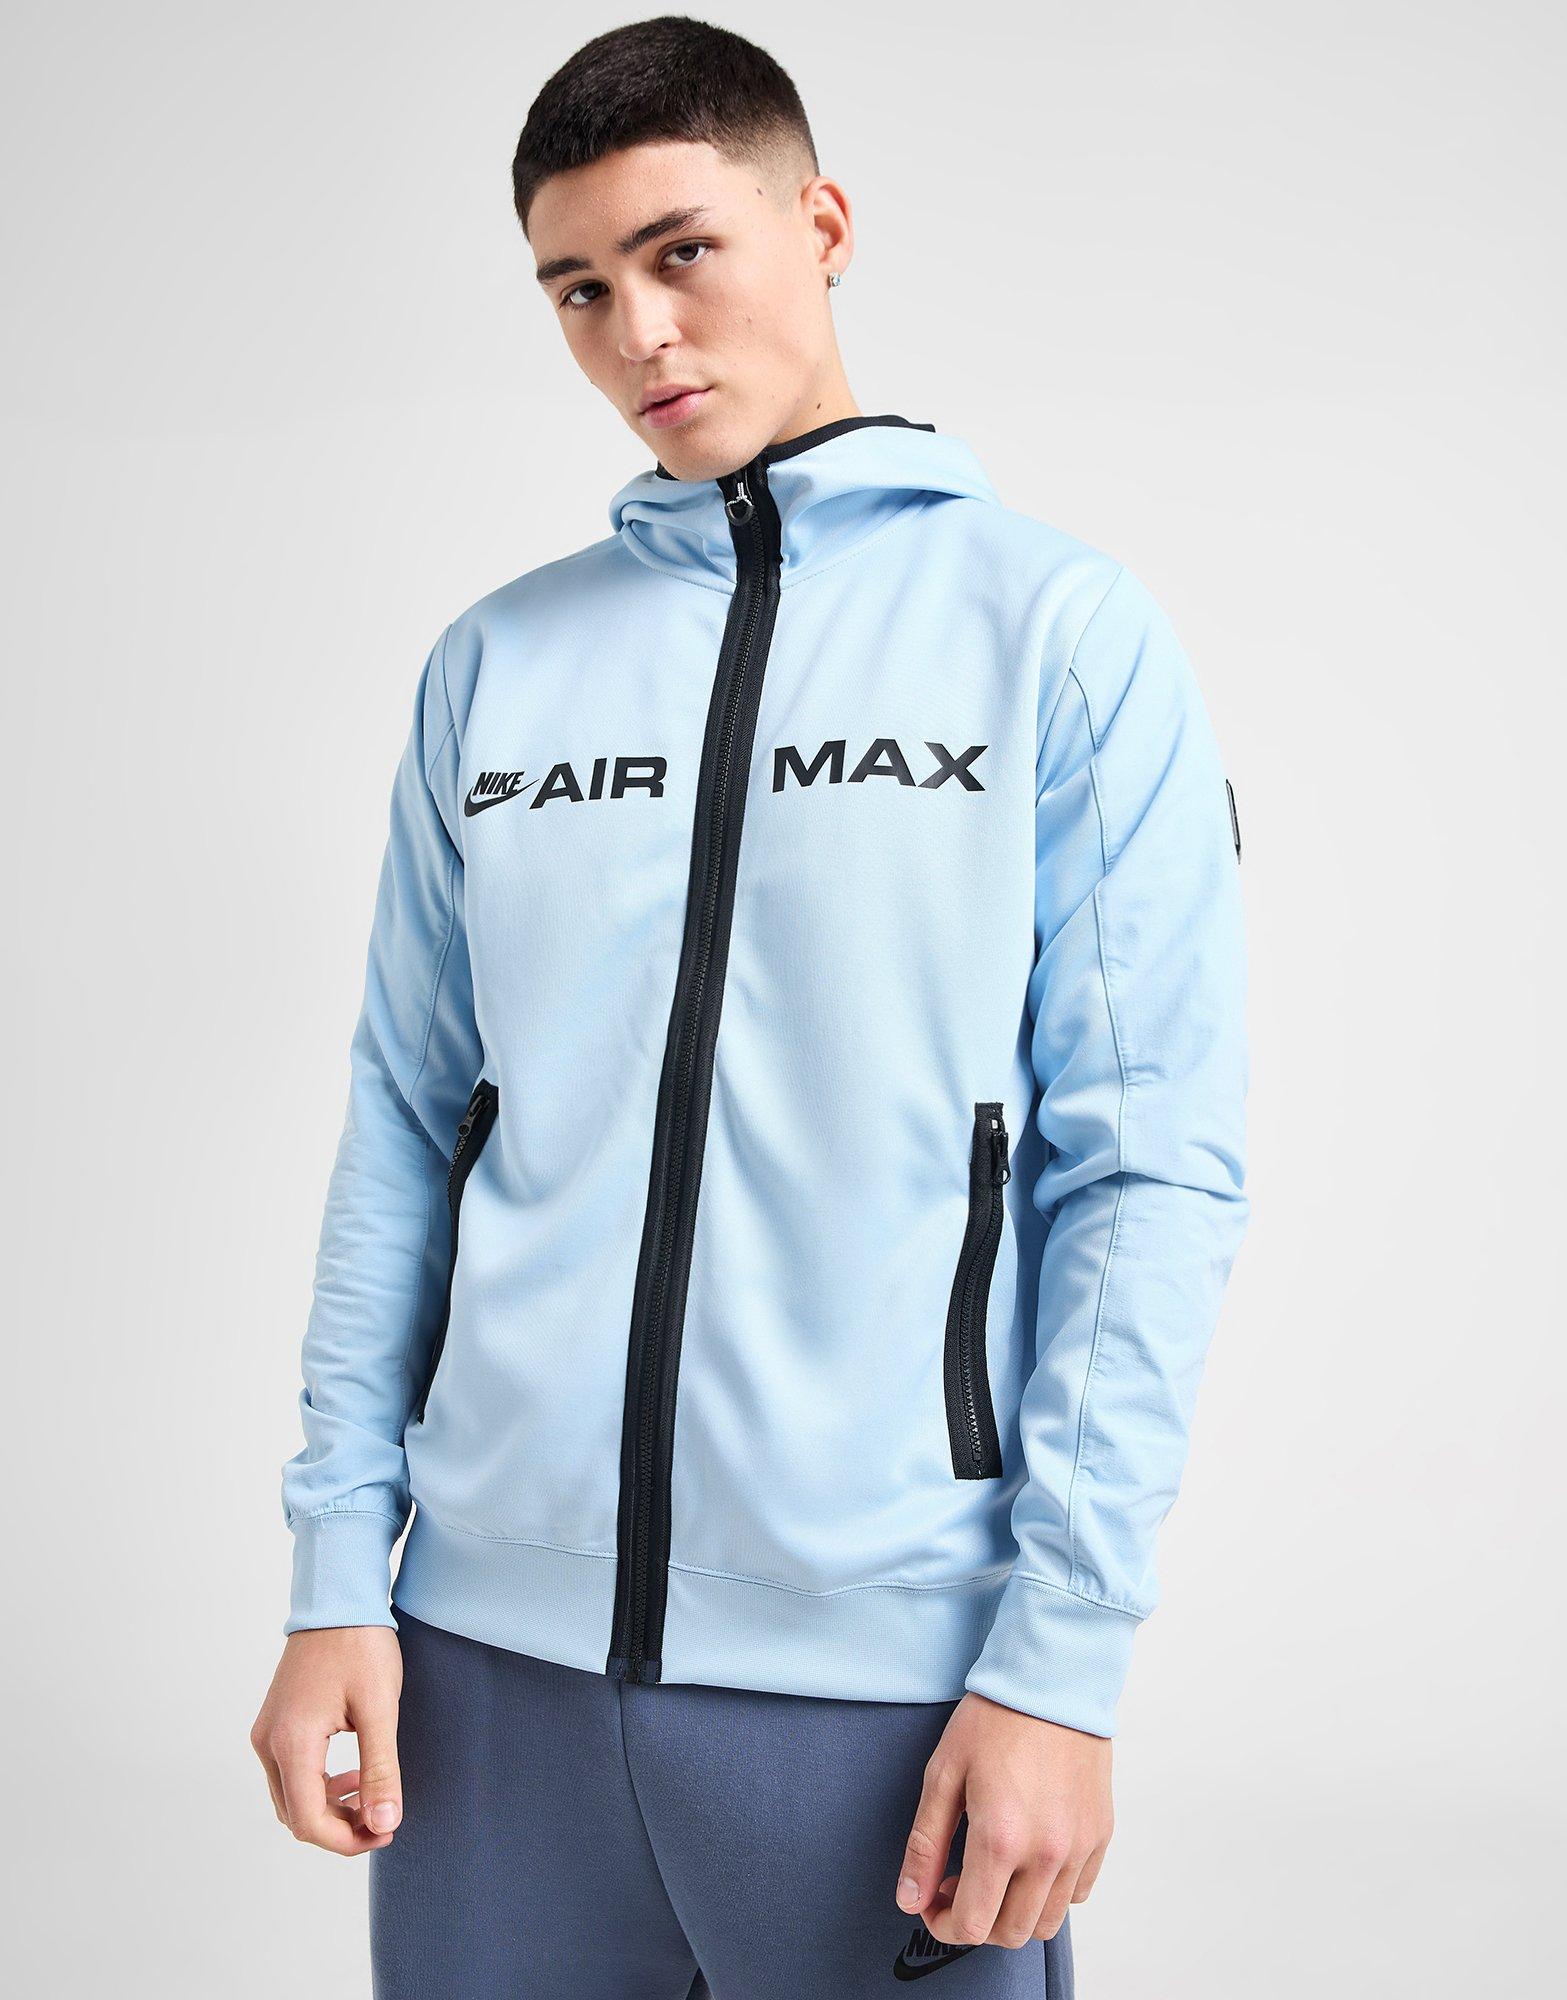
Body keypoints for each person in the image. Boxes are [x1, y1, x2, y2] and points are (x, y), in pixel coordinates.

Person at [250, 15, 1249, 1995]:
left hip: (888, 1690)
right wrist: (333, 1573)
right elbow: (404, 1133)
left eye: (680, 251)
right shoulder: (498, 668)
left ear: (824, 223)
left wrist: (1059, 1663)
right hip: (482, 1672)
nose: (637, 331)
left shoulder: (1054, 636)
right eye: (577, 289)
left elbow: (1146, 1175)